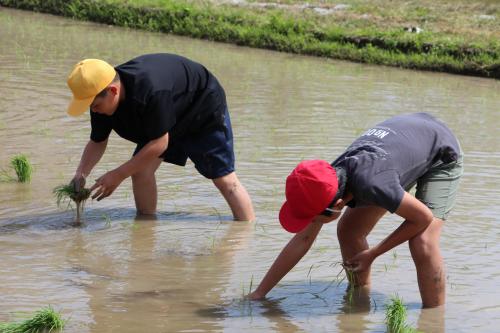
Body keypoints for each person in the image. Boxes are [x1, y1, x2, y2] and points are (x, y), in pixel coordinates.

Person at [248, 113, 463, 308]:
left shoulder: (373, 184)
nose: (309, 223)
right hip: (402, 147)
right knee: (349, 230)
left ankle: (433, 319)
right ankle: (359, 301)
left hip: (440, 152)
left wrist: (373, 254)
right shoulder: (324, 180)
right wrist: (259, 293)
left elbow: (422, 218)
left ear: (338, 204)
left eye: (313, 218)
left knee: (422, 242)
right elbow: (302, 240)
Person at [66, 53, 254, 221]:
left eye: (95, 105)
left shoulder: (149, 90)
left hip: (201, 105)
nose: (93, 110)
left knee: (225, 180)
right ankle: (146, 226)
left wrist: (118, 174)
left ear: (113, 91)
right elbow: (98, 141)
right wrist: (81, 173)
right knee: (141, 172)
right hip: (168, 110)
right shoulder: (99, 100)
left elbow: (160, 143)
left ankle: (247, 232)